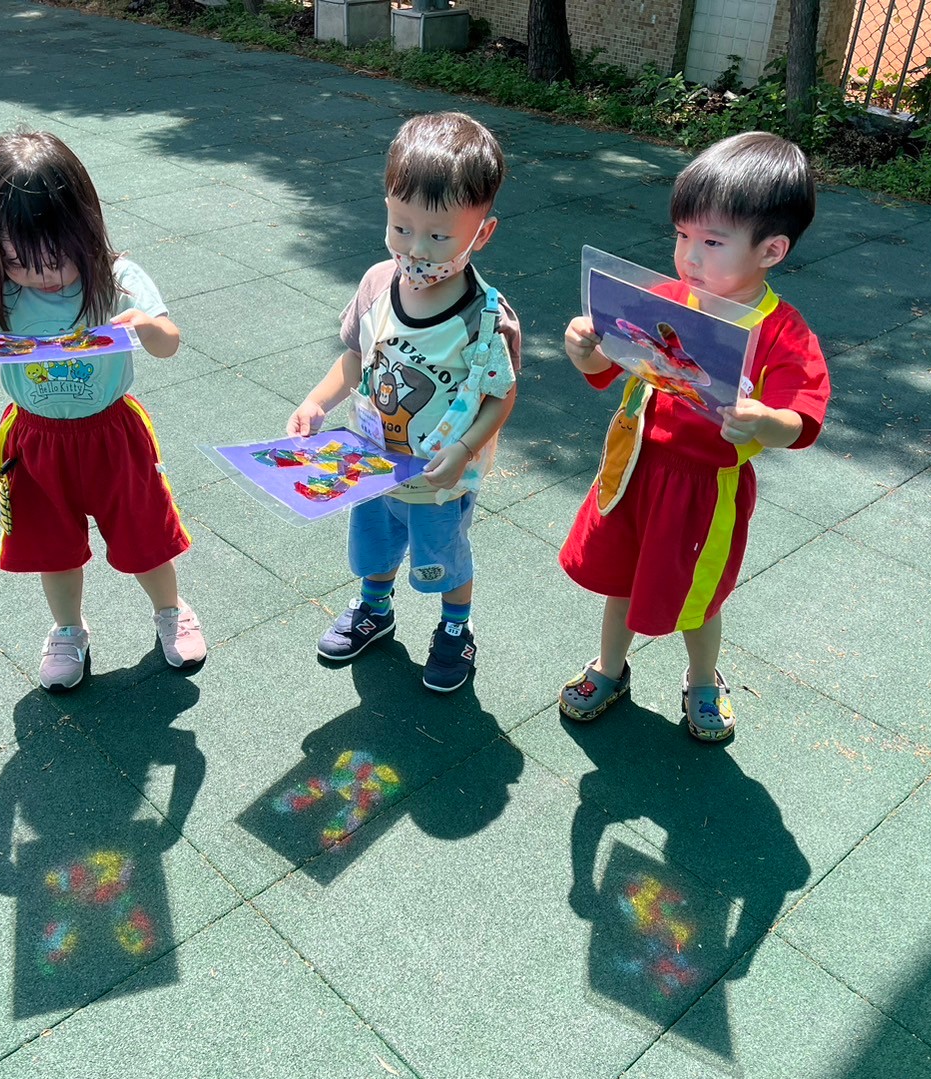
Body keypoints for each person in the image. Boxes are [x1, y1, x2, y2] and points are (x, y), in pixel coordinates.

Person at [557, 131, 830, 740]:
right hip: (633, 468)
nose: (690, 256)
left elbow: (801, 416)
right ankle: (609, 667)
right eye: (682, 236)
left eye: (712, 241)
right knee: (621, 577)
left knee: (698, 596)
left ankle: (703, 679)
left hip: (704, 490)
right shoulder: (665, 298)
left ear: (771, 249)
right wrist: (583, 350)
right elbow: (609, 364)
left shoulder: (781, 332)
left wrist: (763, 420)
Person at [0, 130, 204, 692]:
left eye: (56, 257)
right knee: (52, 547)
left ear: (85, 226)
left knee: (144, 533)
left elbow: (169, 342)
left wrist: (147, 327)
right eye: (21, 261)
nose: (44, 276)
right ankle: (68, 628)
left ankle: (170, 609)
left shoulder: (117, 276)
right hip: (35, 438)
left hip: (112, 433)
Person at [286, 112, 521, 694]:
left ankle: (456, 628)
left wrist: (466, 449)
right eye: (400, 226)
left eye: (439, 236)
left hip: (439, 478)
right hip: (370, 464)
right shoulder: (375, 283)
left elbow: (500, 396)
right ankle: (375, 608)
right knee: (374, 546)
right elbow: (355, 357)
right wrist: (316, 402)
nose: (415, 248)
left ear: (482, 233)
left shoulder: (485, 319)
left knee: (445, 558)